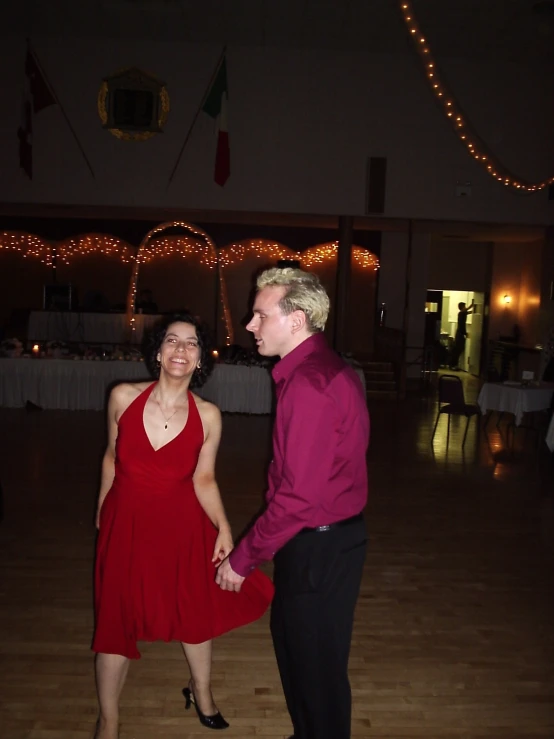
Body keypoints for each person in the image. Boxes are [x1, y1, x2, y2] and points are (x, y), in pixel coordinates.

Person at [92, 312, 273, 739]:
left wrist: (225, 527)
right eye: (172, 341)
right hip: (126, 523)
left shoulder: (208, 415)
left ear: (199, 359)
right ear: (158, 352)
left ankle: (202, 692)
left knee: (193, 610)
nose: (180, 349)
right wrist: (102, 515)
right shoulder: (122, 396)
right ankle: (109, 719)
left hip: (182, 525)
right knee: (116, 620)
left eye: (191, 344)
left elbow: (204, 478)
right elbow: (110, 459)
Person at [216, 268, 370, 739]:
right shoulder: (316, 369)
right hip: (323, 542)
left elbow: (298, 497)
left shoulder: (309, 384)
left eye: (261, 315)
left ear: (297, 319)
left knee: (314, 667)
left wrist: (242, 560)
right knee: (303, 655)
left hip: (318, 546)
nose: (250, 324)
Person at [450, 299, 475, 370]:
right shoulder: (461, 313)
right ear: (462, 307)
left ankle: (454, 365)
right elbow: (466, 311)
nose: (465, 307)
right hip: (460, 334)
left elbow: (468, 312)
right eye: (464, 306)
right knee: (458, 349)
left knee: (458, 349)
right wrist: (472, 305)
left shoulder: (462, 313)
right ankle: (453, 365)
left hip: (460, 333)